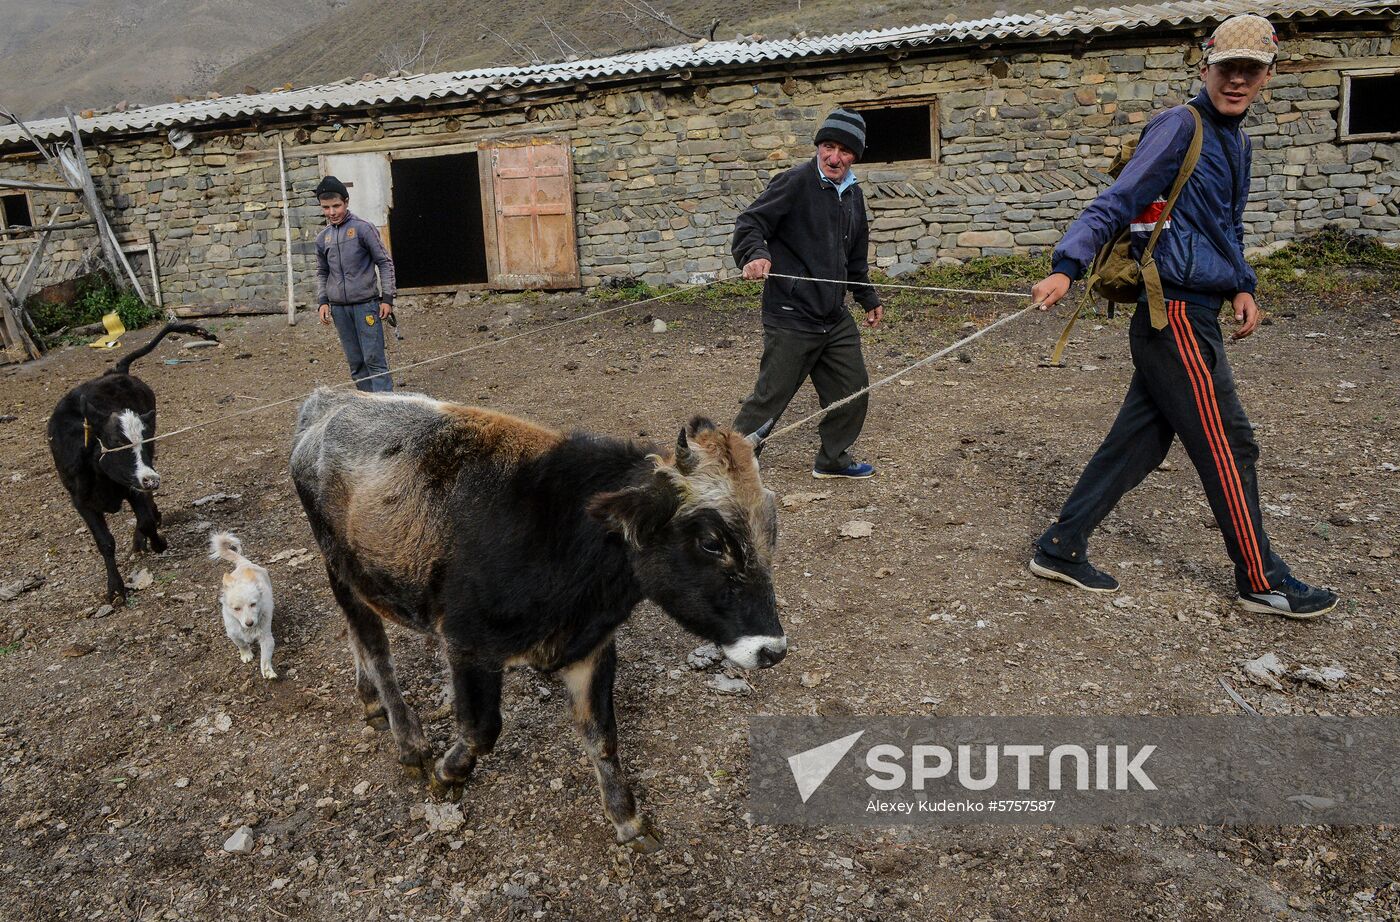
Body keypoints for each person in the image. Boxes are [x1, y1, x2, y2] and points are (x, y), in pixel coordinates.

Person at [1027, 14, 1339, 619]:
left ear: (1267, 78)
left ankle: (1060, 546)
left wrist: (1242, 285)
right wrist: (1068, 264)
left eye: (1251, 71)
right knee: (1230, 441)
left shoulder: (1238, 142)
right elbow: (1116, 201)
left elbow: (1225, 226)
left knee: (1140, 439)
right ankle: (1262, 579)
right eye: (1228, 68)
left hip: (1195, 308)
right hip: (1172, 311)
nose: (1238, 80)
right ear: (1206, 69)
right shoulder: (1180, 125)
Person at [731, 108, 884, 479]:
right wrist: (756, 255)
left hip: (833, 315)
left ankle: (832, 459)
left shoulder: (852, 194)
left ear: (855, 156)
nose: (835, 157)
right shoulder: (795, 181)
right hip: (791, 312)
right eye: (828, 147)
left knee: (853, 389)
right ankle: (729, 471)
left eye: (845, 151)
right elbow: (751, 223)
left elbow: (854, 254)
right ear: (818, 147)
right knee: (769, 398)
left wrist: (867, 296)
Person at [314, 176, 397, 392]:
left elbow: (385, 263)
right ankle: (367, 409)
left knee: (374, 360)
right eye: (326, 208)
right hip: (339, 310)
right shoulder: (323, 238)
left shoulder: (363, 229)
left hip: (366, 306)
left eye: (336, 206)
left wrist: (387, 298)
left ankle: (386, 409)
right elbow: (322, 272)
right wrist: (323, 301)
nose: (332, 212)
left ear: (346, 202)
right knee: (356, 363)